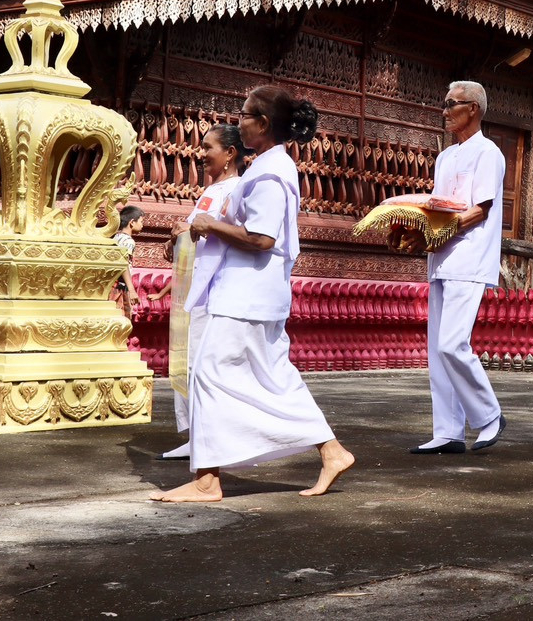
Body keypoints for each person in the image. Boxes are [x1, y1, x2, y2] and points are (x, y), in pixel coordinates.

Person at [151, 85, 354, 502]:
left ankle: (207, 482)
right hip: (254, 292)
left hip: (246, 294)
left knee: (207, 373)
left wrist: (209, 224)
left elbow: (262, 238)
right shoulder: (271, 166)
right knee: (274, 377)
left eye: (245, 115)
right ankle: (332, 451)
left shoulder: (269, 172)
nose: (239, 121)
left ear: (262, 124)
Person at [408, 81, 507, 455]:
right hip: (440, 258)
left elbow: (480, 209)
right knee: (437, 348)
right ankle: (447, 431)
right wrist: (420, 234)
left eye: (453, 104)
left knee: (452, 343)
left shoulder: (488, 153)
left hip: (469, 257)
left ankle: (489, 415)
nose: (445, 110)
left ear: (474, 110)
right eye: (444, 103)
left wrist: (440, 234)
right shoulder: (445, 157)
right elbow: (439, 208)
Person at [143, 124, 245, 460]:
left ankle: (211, 437)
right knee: (186, 362)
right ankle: (195, 435)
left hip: (212, 290)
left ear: (230, 153)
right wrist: (176, 236)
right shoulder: (209, 192)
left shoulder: (238, 189)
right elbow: (196, 233)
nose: (200, 155)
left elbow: (231, 233)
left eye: (207, 148)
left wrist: (191, 229)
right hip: (193, 290)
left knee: (203, 364)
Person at [112, 205, 148, 318]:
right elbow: (123, 264)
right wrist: (132, 290)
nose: (142, 225)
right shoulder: (128, 241)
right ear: (132, 222)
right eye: (141, 221)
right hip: (120, 287)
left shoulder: (115, 237)